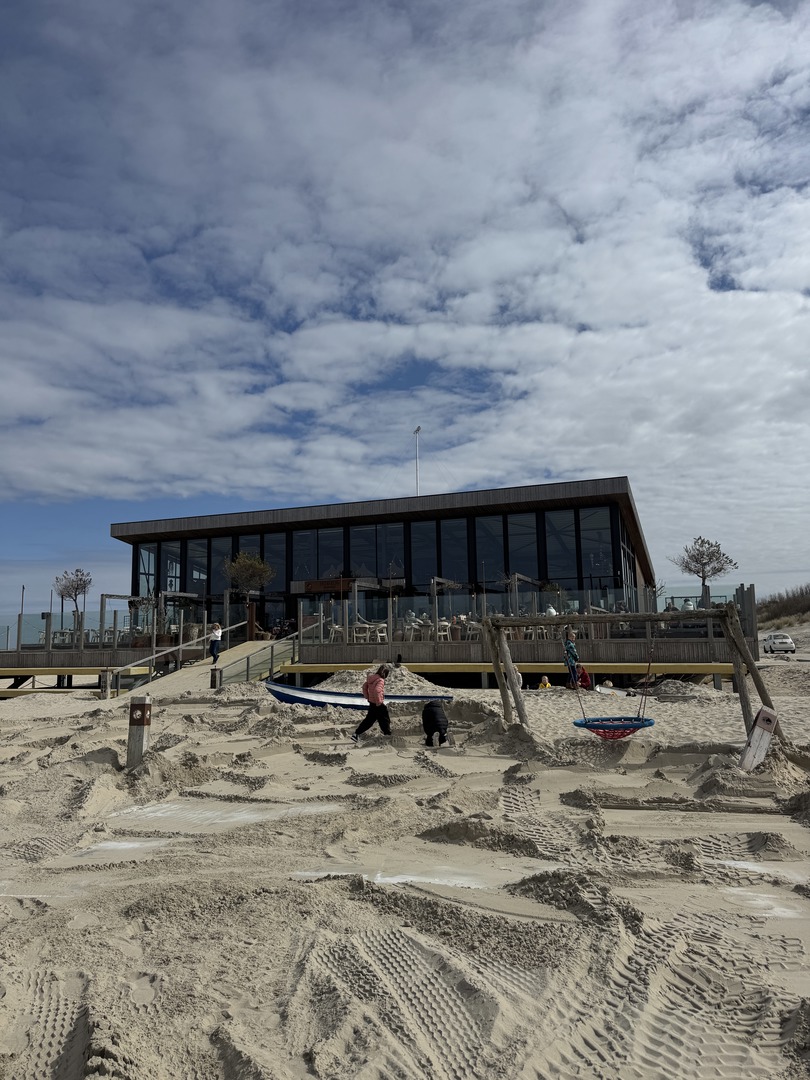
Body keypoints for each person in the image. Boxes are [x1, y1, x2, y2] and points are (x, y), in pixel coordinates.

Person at [351, 666, 391, 743]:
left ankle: (356, 734)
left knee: (369, 720)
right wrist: (379, 702)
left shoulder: (371, 679)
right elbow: (377, 690)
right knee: (384, 718)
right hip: (377, 703)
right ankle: (388, 735)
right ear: (385, 674)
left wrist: (368, 697)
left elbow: (364, 687)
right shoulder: (380, 680)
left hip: (372, 703)